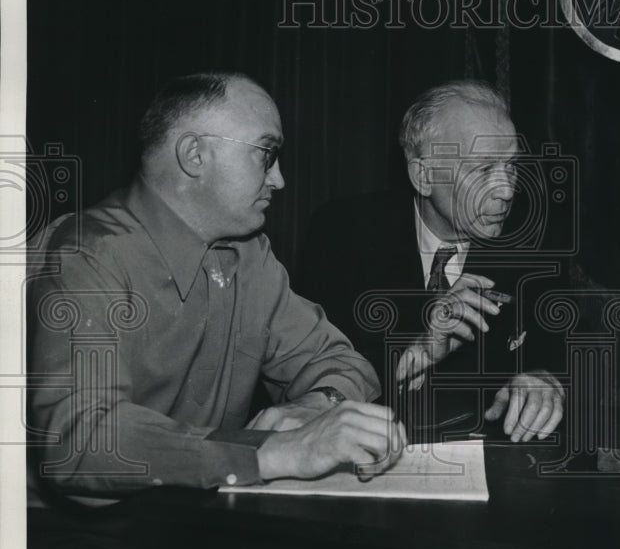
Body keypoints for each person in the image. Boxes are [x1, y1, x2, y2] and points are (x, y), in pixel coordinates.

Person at [28, 72, 407, 504]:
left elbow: (343, 363)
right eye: (266, 153)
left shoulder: (248, 256)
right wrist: (274, 451)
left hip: (190, 523)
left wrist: (315, 407)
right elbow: (82, 444)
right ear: (194, 155)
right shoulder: (87, 253)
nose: (279, 179)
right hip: (67, 539)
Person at [301, 80, 565, 443]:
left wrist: (549, 379)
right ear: (423, 175)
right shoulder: (343, 232)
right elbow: (314, 370)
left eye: (511, 166)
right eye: (483, 170)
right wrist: (419, 348)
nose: (507, 190)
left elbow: (572, 340)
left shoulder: (533, 242)